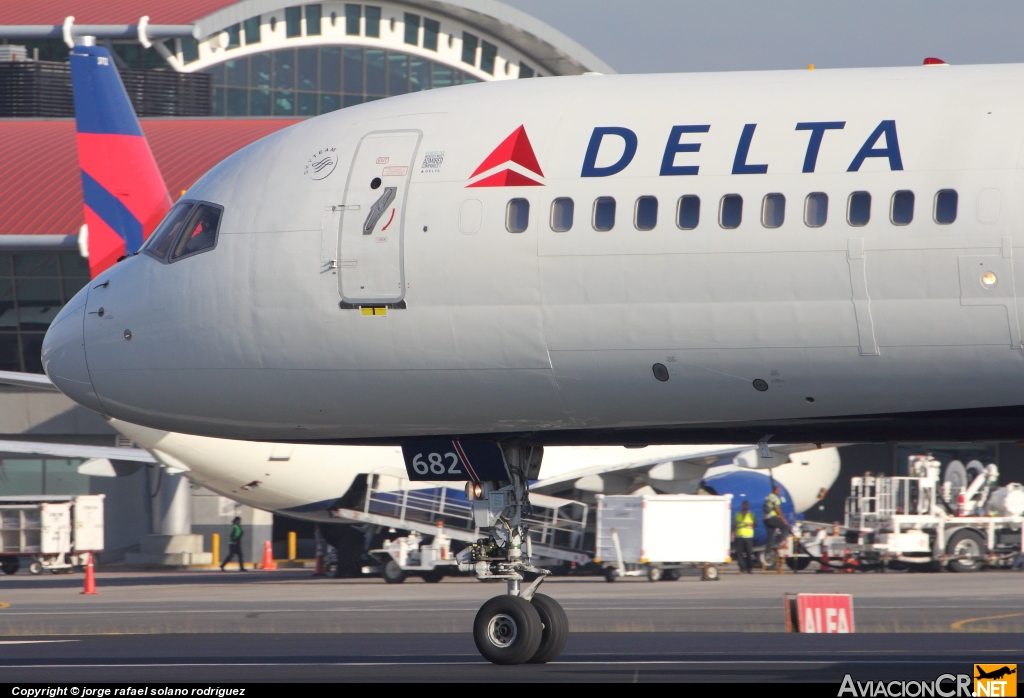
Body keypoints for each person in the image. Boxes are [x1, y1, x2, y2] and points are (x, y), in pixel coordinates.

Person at [763, 485, 791, 550]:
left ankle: (768, 551)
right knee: (785, 526)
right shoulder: (775, 498)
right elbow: (777, 509)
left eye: (779, 490)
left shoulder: (769, 496)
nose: (779, 492)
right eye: (777, 490)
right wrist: (783, 519)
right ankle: (779, 542)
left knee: (770, 536)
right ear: (774, 490)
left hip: (765, 519)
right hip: (771, 518)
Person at [732, 500, 755, 573]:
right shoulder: (737, 514)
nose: (745, 506)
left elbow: (755, 524)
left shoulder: (751, 515)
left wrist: (749, 525)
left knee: (749, 553)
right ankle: (742, 568)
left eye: (746, 505)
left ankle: (750, 568)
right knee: (739, 553)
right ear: (742, 506)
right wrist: (732, 533)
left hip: (748, 536)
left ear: (748, 506)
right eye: (743, 505)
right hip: (739, 536)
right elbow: (734, 525)